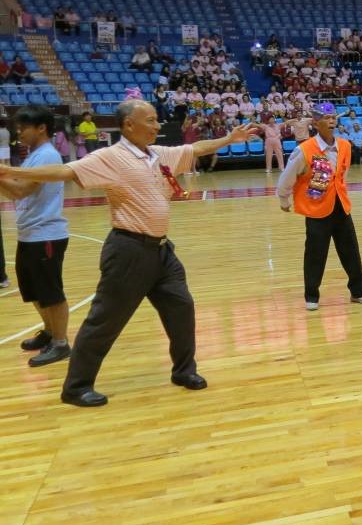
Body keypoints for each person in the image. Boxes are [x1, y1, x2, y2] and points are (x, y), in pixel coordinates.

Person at [0, 100, 255, 407]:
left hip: (162, 252)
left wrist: (229, 139)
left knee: (182, 309)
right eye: (150, 120)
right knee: (105, 320)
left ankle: (184, 371)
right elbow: (64, 171)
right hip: (128, 251)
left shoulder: (159, 154)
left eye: (156, 120)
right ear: (128, 125)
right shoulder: (110, 157)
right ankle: (76, 387)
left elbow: (196, 148)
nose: (157, 125)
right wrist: (8, 170)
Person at [276, 103, 362, 311]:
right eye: (327, 118)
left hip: (341, 206)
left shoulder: (345, 145)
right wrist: (284, 200)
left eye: (334, 117)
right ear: (316, 123)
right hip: (316, 208)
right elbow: (287, 178)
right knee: (315, 253)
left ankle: (359, 291)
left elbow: (342, 174)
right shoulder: (304, 149)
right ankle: (311, 296)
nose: (332, 120)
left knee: (351, 250)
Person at [0, 106, 71, 366]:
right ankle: (51, 333)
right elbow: (13, 192)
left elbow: (21, 191)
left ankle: (61, 344)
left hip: (46, 235)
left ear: (41, 128)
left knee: (51, 292)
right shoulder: (33, 156)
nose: (19, 133)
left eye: (23, 128)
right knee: (35, 291)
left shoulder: (47, 156)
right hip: (30, 234)